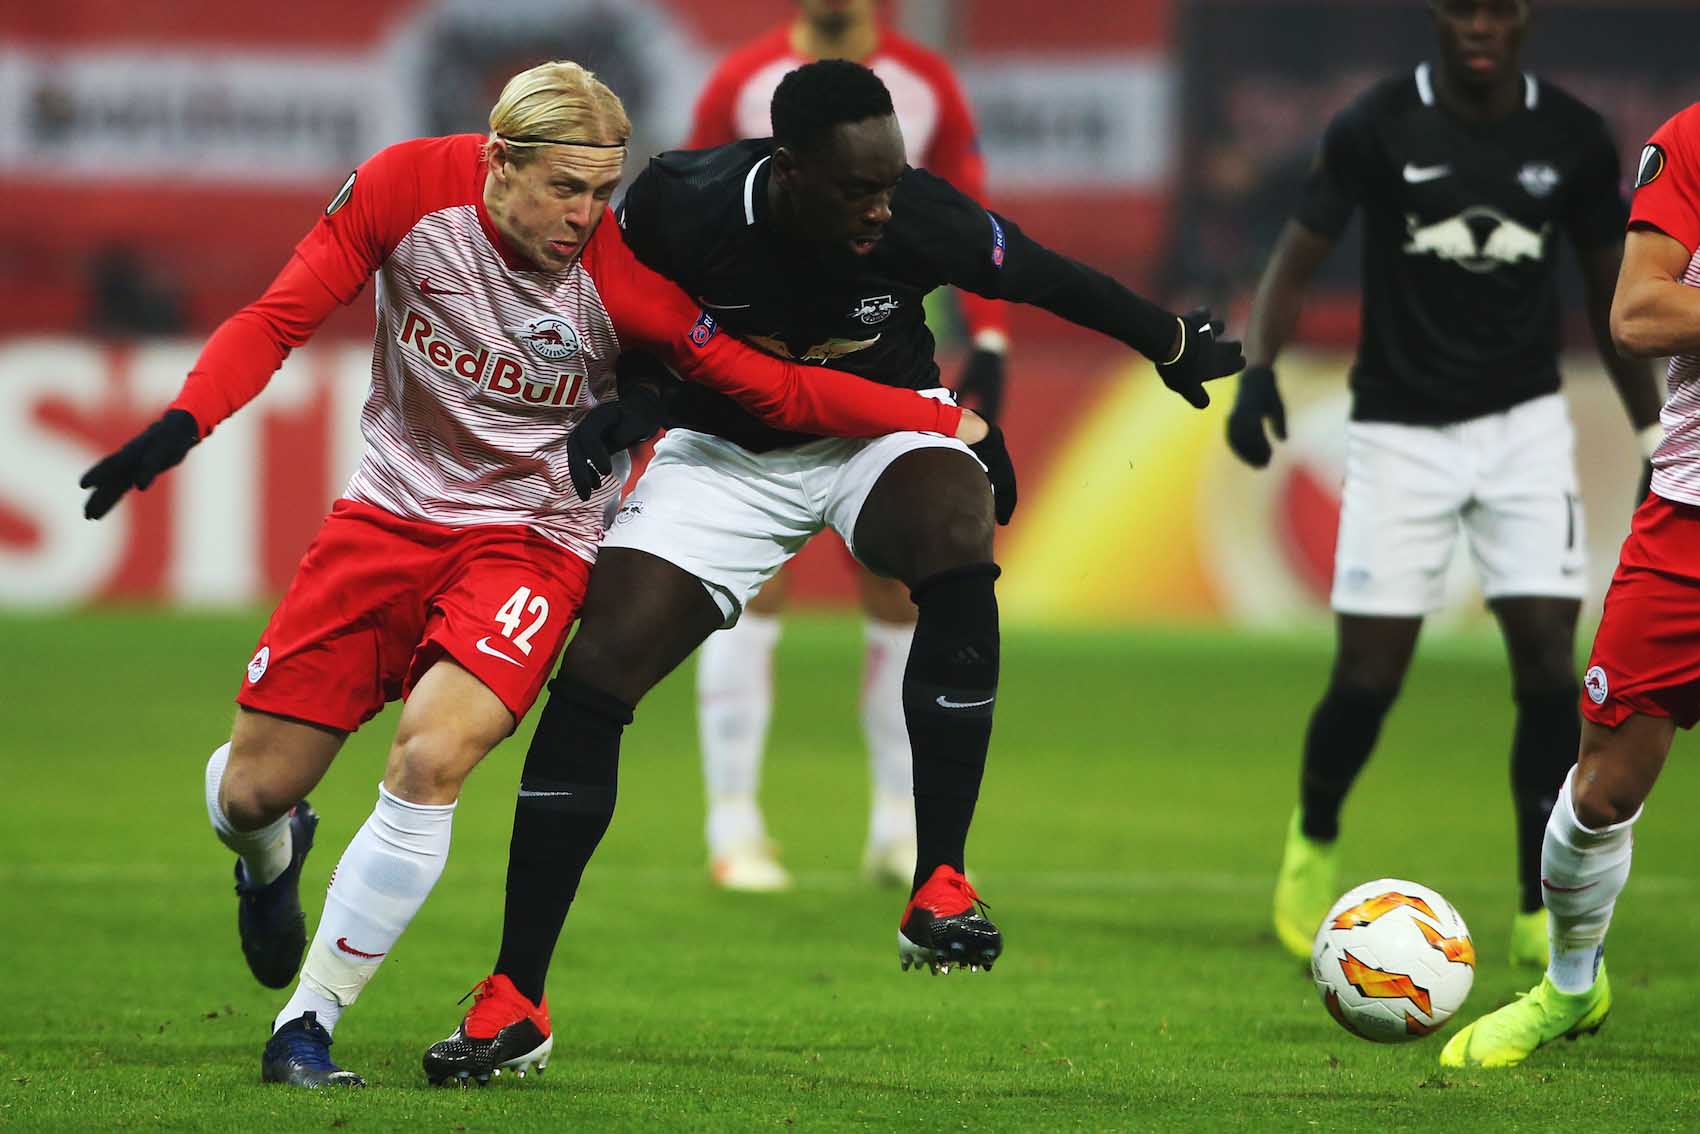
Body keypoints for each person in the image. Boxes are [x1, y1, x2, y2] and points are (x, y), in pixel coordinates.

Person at [77, 59, 988, 1090]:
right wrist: (182, 422)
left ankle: (307, 1024)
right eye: (565, 187)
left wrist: (938, 416)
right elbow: (279, 318)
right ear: (498, 160)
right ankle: (270, 852)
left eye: (602, 189)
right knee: (250, 792)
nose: (586, 215)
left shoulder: (625, 275)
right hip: (387, 516)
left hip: (535, 538)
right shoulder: (401, 191)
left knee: (431, 760)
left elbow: (773, 390)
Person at [421, 59, 1243, 1085]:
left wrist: (1168, 341)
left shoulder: (918, 217)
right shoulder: (682, 201)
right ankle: (516, 1000)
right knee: (593, 681)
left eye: (889, 183)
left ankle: (938, 880)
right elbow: (621, 318)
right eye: (858, 189)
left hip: (878, 435)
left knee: (957, 526)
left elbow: (1044, 275)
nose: (881, 208)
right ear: (790, 168)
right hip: (721, 455)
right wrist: (630, 405)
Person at [1227, 0, 1662, 967]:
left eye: (1497, 10)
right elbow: (1296, 257)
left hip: (1525, 431)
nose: (1479, 26)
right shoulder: (1376, 124)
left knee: (1546, 665)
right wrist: (1258, 373)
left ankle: (1537, 903)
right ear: (1437, 15)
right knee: (1369, 674)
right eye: (1463, 8)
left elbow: (1611, 296)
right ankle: (1314, 835)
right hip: (1399, 431)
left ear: (1524, 19)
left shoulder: (1573, 138)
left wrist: (1649, 429)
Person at [686, 0, 1009, 891]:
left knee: (903, 590)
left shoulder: (926, 83)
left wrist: (989, 335)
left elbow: (969, 219)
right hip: (753, 375)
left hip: (879, 366)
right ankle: (734, 822)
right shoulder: (740, 80)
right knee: (749, 588)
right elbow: (694, 209)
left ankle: (898, 827)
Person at [1439, 99, 1700, 1068]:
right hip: (1689, 521)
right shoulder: (1691, 142)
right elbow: (1636, 313)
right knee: (1598, 789)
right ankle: (1569, 985)